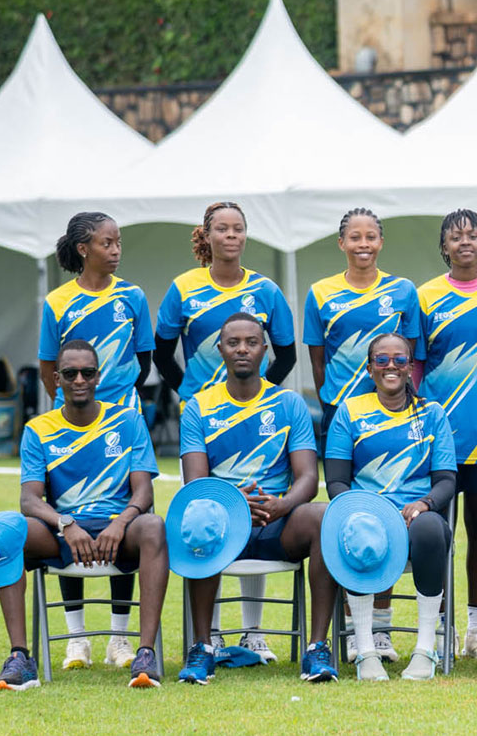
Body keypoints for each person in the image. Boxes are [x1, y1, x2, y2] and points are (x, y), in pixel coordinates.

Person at [155, 201, 297, 660]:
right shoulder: (183, 288)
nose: (231, 236)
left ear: (245, 236)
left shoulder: (267, 290)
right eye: (222, 228)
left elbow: (287, 356)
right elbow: (160, 355)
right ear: (208, 235)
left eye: (238, 228)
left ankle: (252, 631)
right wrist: (190, 394)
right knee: (205, 513)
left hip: (258, 418)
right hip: (205, 419)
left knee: (257, 500)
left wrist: (261, 399)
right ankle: (210, 633)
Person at [0, 339, 166, 690]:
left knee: (154, 526)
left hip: (120, 528)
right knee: (0, 530)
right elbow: (29, 500)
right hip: (63, 530)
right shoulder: (38, 429)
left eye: (88, 372)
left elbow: (144, 491)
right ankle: (20, 658)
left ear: (99, 377)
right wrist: (66, 524)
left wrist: (120, 522)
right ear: (56, 379)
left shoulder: (128, 420)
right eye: (70, 373)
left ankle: (144, 653)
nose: (79, 379)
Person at [174, 314, 336, 685]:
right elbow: (196, 485)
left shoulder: (289, 404)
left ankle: (317, 649)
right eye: (233, 343)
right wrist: (232, 503)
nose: (242, 349)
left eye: (251, 342)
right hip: (222, 522)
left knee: (323, 516)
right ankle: (202, 648)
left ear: (265, 349)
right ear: (220, 351)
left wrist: (282, 504)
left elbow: (308, 478)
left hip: (275, 520)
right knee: (198, 516)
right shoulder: (198, 407)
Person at [303, 206, 422, 661]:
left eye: (371, 236)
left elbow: (413, 355)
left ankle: (383, 632)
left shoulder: (403, 291)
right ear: (341, 244)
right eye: (355, 237)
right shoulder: (320, 293)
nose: (364, 245)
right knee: (351, 521)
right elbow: (318, 361)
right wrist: (338, 403)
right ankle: (355, 631)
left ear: (381, 242)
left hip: (394, 417)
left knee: (387, 515)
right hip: (344, 418)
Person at [38, 211, 154, 672]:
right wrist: (73, 408)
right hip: (70, 427)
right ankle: (77, 639)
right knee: (72, 515)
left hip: (122, 423)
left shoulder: (134, 296)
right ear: (84, 248)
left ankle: (121, 640)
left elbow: (143, 360)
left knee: (121, 521)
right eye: (107, 243)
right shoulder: (58, 301)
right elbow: (50, 366)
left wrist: (113, 405)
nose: (116, 250)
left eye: (119, 242)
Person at [322, 333, 456, 682]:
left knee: (430, 527)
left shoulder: (432, 414)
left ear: (411, 367)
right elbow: (336, 482)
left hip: (417, 521)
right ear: (370, 368)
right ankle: (365, 651)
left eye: (400, 360)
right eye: (382, 360)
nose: (391, 366)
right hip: (366, 518)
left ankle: (425, 650)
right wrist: (367, 510)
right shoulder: (348, 413)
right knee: (359, 529)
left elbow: (445, 480)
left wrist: (425, 504)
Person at [417, 208, 477, 660]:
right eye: (456, 237)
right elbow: (416, 366)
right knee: (437, 532)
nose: (465, 243)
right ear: (444, 247)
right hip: (437, 436)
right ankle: (438, 627)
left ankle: (476, 629)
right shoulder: (425, 296)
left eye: (472, 235)